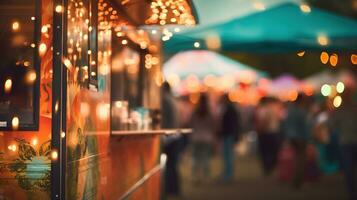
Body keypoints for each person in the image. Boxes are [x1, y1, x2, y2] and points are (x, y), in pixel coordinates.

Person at [329, 88, 357, 200]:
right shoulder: (353, 110)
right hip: (349, 142)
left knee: (348, 168)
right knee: (349, 168)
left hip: (345, 142)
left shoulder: (340, 111)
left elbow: (331, 126)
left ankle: (352, 192)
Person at [283, 93, 310, 188]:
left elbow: (285, 124)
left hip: (292, 137)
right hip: (300, 137)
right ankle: (298, 181)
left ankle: (296, 180)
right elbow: (304, 126)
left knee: (296, 158)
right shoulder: (300, 111)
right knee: (300, 160)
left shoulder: (290, 110)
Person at [161, 82, 182, 198]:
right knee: (173, 165)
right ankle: (175, 189)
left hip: (169, 137)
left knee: (170, 166)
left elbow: (166, 121)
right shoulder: (173, 100)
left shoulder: (165, 101)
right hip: (176, 136)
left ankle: (170, 190)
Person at [190, 93, 216, 183]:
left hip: (196, 137)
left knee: (195, 158)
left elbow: (191, 123)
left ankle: (195, 176)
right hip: (207, 138)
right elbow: (214, 126)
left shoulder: (195, 111)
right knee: (206, 158)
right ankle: (206, 177)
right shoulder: (210, 112)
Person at [255, 97, 283, 176]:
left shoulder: (263, 109)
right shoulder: (275, 108)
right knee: (272, 150)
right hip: (274, 132)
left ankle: (267, 167)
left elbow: (264, 121)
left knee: (265, 151)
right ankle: (270, 166)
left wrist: (261, 129)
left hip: (266, 133)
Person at [219, 94, 241, 182]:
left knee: (228, 155)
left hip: (228, 134)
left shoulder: (229, 109)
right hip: (228, 134)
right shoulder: (229, 109)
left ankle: (228, 174)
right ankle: (227, 173)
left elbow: (232, 124)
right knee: (227, 155)